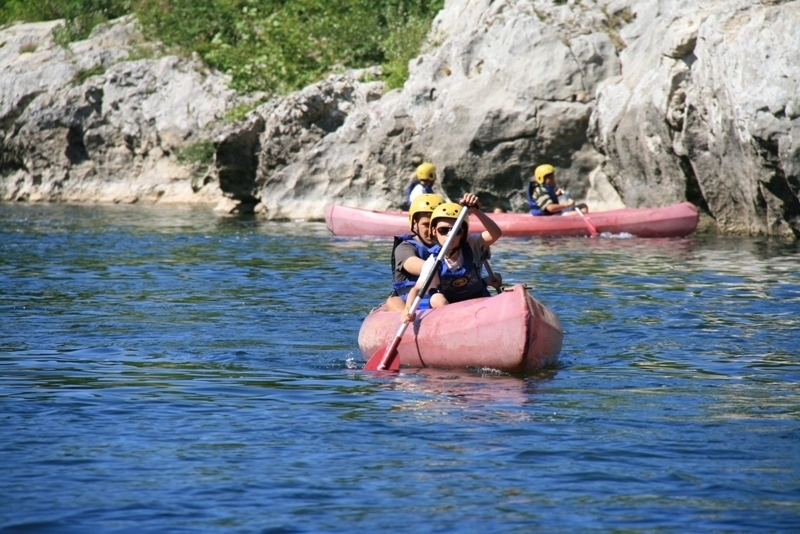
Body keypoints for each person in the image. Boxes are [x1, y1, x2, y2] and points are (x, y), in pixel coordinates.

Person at [402, 194, 502, 322]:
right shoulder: (433, 262)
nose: (450, 234)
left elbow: (495, 233)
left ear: (463, 233)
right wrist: (408, 308)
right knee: (436, 298)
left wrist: (476, 211)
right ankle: (453, 324)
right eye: (443, 230)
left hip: (477, 301)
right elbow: (417, 289)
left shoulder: (472, 245)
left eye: (456, 230)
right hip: (449, 308)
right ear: (434, 231)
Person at [385, 193, 445, 312]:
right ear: (415, 224)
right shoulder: (404, 248)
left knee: (439, 299)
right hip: (407, 299)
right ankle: (406, 318)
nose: (431, 230)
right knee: (393, 301)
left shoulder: (451, 246)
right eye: (426, 224)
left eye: (435, 225)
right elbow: (415, 265)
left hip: (437, 297)